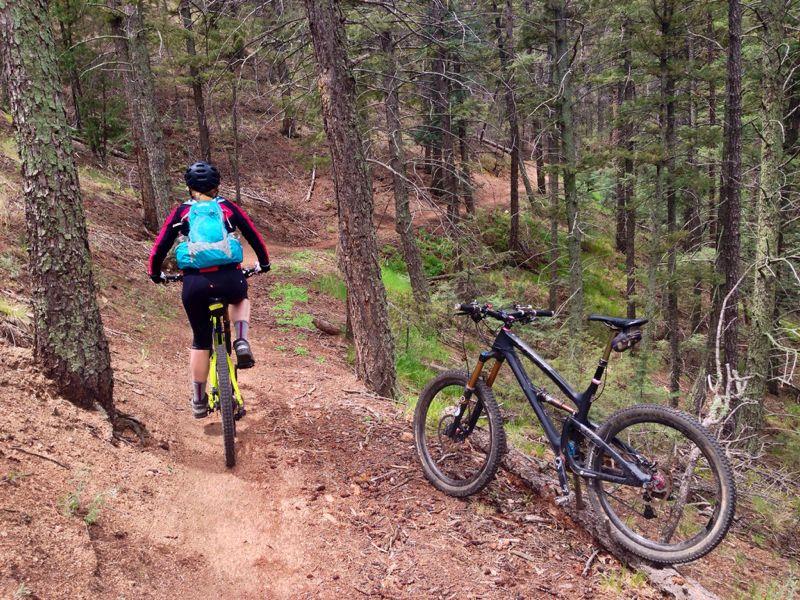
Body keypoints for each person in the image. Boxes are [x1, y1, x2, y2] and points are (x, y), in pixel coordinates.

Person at [148, 161, 270, 418]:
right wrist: (264, 263)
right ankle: (241, 340)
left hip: (195, 285)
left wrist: (155, 273)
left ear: (189, 187)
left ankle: (199, 399)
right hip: (230, 279)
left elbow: (160, 246)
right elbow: (253, 234)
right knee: (239, 300)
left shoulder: (181, 212)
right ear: (216, 186)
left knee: (201, 340)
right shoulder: (227, 207)